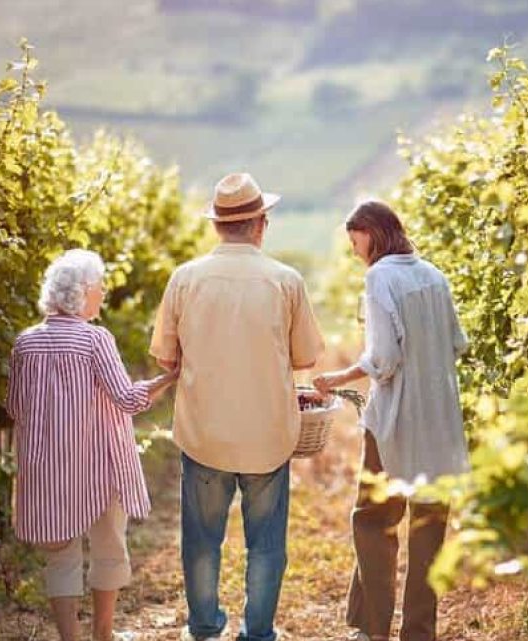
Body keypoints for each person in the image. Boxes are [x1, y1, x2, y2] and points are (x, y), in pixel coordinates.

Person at [149, 173, 327, 641]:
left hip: (204, 433)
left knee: (202, 542)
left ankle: (205, 628)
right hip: (267, 436)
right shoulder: (285, 281)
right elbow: (306, 357)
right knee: (266, 545)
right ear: (261, 224)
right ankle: (258, 633)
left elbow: (166, 356)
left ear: (217, 226)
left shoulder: (184, 279)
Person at [313, 200, 470, 641]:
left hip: (395, 421)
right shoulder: (434, 276)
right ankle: (419, 632)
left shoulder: (380, 276)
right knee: (429, 528)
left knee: (374, 520)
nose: (354, 251)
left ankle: (371, 627)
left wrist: (338, 377)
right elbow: (457, 343)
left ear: (373, 233)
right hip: (440, 421)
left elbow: (383, 360)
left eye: (355, 240)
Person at [7, 249, 177, 641]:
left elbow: (15, 407)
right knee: (108, 548)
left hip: (46, 466)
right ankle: (103, 633)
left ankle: (71, 638)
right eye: (99, 287)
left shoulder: (25, 342)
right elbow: (127, 400)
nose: (102, 294)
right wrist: (166, 380)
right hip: (97, 463)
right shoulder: (94, 339)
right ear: (82, 292)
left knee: (61, 555)